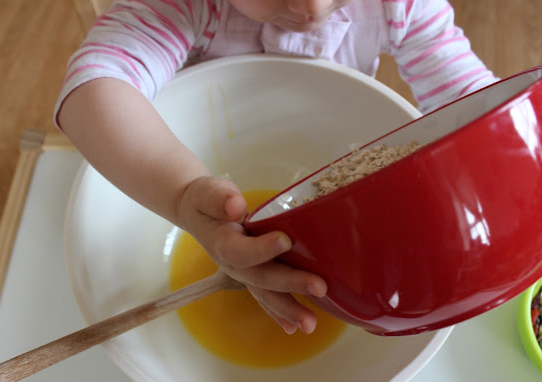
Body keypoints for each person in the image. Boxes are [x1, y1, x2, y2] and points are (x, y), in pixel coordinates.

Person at [56, 0, 497, 335]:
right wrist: (184, 194)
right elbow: (95, 84)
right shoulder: (190, 6)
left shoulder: (398, 7)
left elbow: (481, 109)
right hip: (179, 179)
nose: (312, 8)